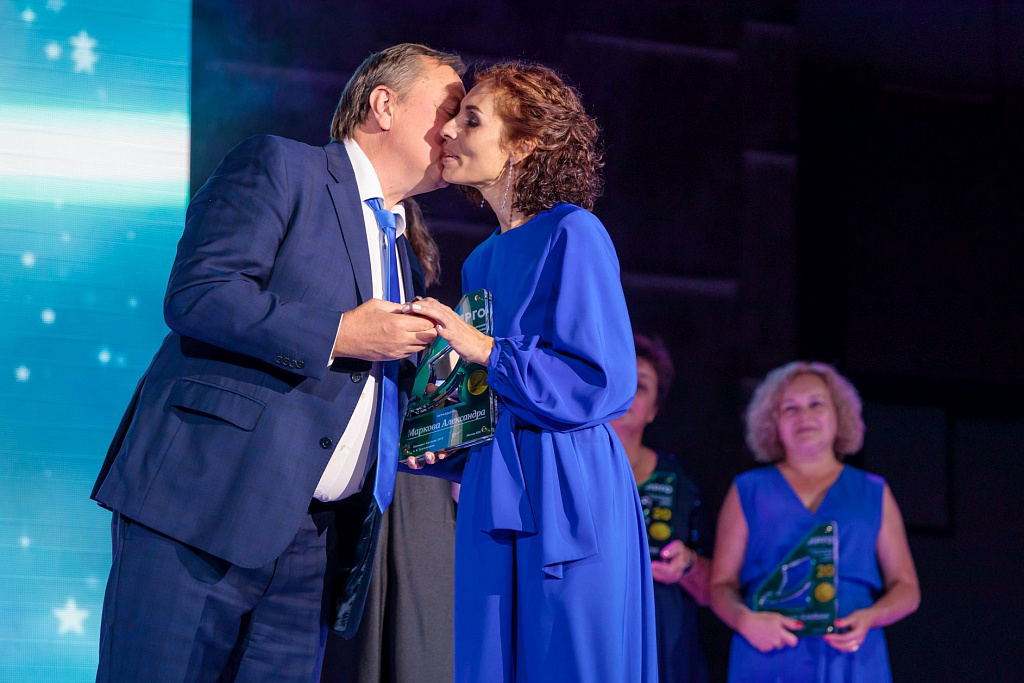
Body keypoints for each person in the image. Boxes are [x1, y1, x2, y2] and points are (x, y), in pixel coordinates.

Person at [90, 44, 465, 682]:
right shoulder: (283, 167)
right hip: (203, 507)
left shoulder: (403, 249)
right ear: (384, 105)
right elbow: (200, 294)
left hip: (315, 545)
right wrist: (341, 332)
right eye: (447, 108)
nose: (455, 129)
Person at [405, 61, 658, 682]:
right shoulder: (481, 260)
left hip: (567, 485)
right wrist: (445, 442)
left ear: (523, 143)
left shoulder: (574, 231)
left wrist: (486, 350)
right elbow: (490, 395)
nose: (448, 132)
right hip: (494, 486)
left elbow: (603, 382)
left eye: (471, 120)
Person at [709, 362, 920, 682]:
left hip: (852, 654)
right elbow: (720, 585)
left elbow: (907, 588)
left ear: (839, 415)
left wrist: (872, 616)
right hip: (768, 652)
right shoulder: (748, 489)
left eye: (816, 404)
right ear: (772, 422)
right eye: (790, 408)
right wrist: (744, 621)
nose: (804, 416)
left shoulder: (873, 491)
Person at [322, 197, 457, 683]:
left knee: (411, 639)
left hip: (415, 493)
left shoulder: (441, 337)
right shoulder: (358, 326)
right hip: (375, 487)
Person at [611, 334, 713, 683]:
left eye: (640, 386)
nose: (627, 392)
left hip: (663, 635)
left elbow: (715, 585)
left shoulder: (679, 480)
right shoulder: (564, 469)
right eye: (619, 379)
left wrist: (687, 563)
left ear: (654, 410)